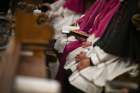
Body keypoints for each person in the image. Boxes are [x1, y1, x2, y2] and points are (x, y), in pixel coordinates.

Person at [64, 0, 140, 93]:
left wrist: (91, 59)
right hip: (98, 45)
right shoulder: (104, 2)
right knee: (64, 39)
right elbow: (87, 20)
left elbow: (117, 40)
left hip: (122, 57)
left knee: (75, 75)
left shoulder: (125, 5)